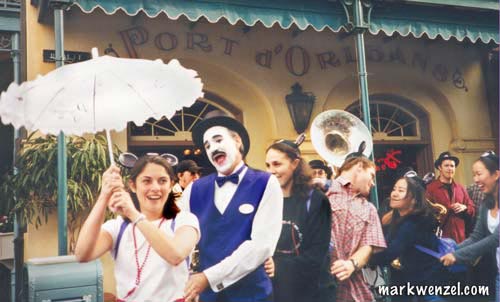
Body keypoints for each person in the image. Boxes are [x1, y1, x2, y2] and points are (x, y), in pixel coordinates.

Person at [180, 110, 283, 302]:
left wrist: (208, 277)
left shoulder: (267, 183)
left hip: (253, 295)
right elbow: (179, 241)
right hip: (207, 297)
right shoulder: (193, 190)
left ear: (237, 141)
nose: (212, 149)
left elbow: (262, 246)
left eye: (218, 140)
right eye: (207, 145)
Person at [75, 154, 200, 301]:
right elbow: (83, 255)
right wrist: (104, 195)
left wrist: (133, 214)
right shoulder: (118, 227)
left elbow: (176, 255)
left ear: (171, 185)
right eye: (146, 181)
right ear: (133, 186)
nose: (155, 188)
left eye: (162, 181)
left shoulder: (184, 220)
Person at [265, 139, 332, 302]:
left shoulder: (317, 200)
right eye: (267, 165)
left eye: (277, 164)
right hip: (275, 292)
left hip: (311, 292)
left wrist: (279, 266)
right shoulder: (265, 200)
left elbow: (318, 253)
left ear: (295, 164)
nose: (271, 171)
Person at [370, 171, 448, 302]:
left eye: (401, 190)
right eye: (394, 189)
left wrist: (363, 261)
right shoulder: (400, 217)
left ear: (414, 198)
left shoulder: (413, 223)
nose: (394, 193)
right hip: (414, 281)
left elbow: (391, 251)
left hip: (427, 285)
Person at [328, 150, 386, 302]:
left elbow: (368, 246)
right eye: (372, 175)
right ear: (360, 166)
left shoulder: (370, 209)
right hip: (318, 282)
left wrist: (351, 264)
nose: (373, 183)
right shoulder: (322, 191)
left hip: (352, 288)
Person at [441, 151, 499, 301]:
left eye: (479, 174)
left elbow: (496, 239)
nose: (475, 179)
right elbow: (476, 236)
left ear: (496, 174)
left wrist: (456, 255)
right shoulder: (487, 204)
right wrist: (450, 251)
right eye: (474, 175)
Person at [426, 151, 475, 243]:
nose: (450, 169)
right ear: (440, 168)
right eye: (446, 165)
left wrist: (464, 207)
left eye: (452, 166)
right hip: (440, 240)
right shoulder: (430, 189)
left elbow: (472, 209)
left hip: (461, 239)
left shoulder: (461, 188)